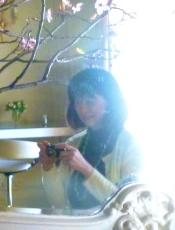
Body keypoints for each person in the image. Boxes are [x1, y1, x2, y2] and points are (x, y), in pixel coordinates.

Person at [37, 68, 142, 210]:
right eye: (78, 101)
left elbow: (127, 206)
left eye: (90, 100)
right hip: (75, 228)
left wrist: (85, 169)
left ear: (110, 100)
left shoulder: (130, 145)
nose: (83, 109)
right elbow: (60, 203)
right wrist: (48, 168)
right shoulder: (74, 143)